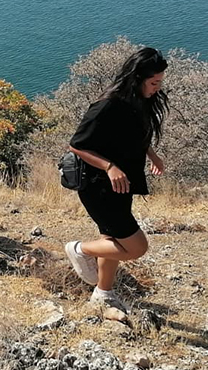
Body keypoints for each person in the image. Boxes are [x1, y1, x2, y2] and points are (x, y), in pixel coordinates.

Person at [65, 47, 168, 313]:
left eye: (160, 82)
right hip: (98, 186)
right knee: (135, 247)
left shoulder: (138, 100)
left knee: (112, 240)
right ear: (138, 78)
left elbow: (135, 135)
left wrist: (153, 156)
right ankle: (80, 250)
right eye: (154, 82)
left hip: (120, 186)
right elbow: (77, 145)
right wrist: (109, 166)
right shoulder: (107, 105)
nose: (157, 88)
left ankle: (103, 293)